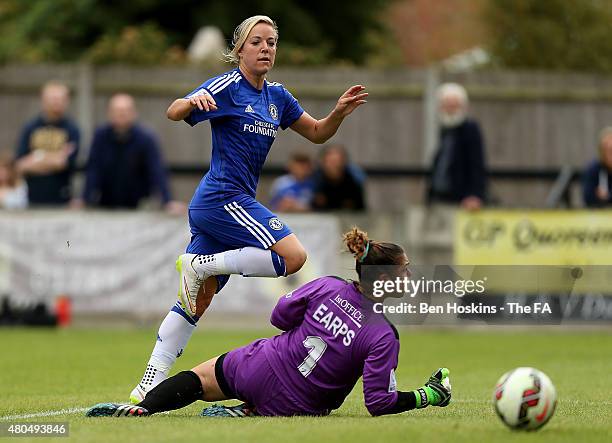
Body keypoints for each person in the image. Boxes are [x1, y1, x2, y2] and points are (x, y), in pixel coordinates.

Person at [130, 15, 368, 403]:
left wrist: (338, 112)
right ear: (239, 49)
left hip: (225, 205)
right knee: (293, 256)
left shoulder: (278, 97)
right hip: (223, 199)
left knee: (195, 302)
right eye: (257, 42)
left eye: (271, 42)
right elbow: (173, 111)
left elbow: (318, 133)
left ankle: (145, 387)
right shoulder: (228, 86)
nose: (265, 49)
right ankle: (200, 266)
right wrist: (192, 101)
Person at [86, 228, 451, 418]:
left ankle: (146, 408)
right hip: (302, 404)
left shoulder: (327, 286)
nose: (409, 275)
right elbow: (379, 402)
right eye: (404, 269)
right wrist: (427, 395)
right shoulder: (383, 334)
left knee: (200, 378)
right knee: (268, 403)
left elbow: (279, 317)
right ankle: (246, 413)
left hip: (263, 365)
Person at [75, 93, 184, 213]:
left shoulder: (146, 138)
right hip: (105, 202)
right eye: (117, 110)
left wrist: (167, 201)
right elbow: (93, 169)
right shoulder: (100, 136)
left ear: (134, 113)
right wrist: (84, 199)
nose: (122, 114)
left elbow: (156, 170)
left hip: (139, 204)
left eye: (126, 110)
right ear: (109, 113)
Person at [14, 81, 79, 206]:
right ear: (43, 100)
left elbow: (64, 163)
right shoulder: (30, 127)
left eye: (60, 99)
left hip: (61, 197)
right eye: (52, 99)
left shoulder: (72, 129)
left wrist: (35, 158)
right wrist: (53, 158)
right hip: (30, 196)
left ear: (67, 101)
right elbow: (20, 165)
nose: (56, 102)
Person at [427, 83, 487, 210]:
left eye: (454, 105)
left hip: (461, 199)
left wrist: (474, 194)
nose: (450, 108)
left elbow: (477, 163)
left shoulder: (470, 129)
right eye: (446, 104)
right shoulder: (445, 130)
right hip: (440, 197)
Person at [312, 144, 365, 211]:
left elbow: (360, 210)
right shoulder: (314, 181)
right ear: (323, 162)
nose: (334, 165)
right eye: (331, 161)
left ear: (344, 162)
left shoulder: (353, 181)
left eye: (337, 161)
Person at [583, 127, 612, 207]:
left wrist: (607, 196)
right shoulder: (593, 169)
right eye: (607, 149)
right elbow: (588, 198)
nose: (610, 153)